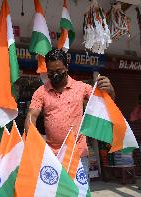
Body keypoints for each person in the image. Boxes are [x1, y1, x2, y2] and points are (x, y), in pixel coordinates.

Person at [25, 49, 115, 179]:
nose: (55, 75)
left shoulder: (82, 88)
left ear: (66, 67)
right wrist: (35, 139)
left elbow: (106, 106)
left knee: (79, 193)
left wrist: (110, 91)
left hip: (77, 154)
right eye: (50, 72)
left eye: (58, 71)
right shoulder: (41, 92)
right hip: (52, 155)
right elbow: (31, 116)